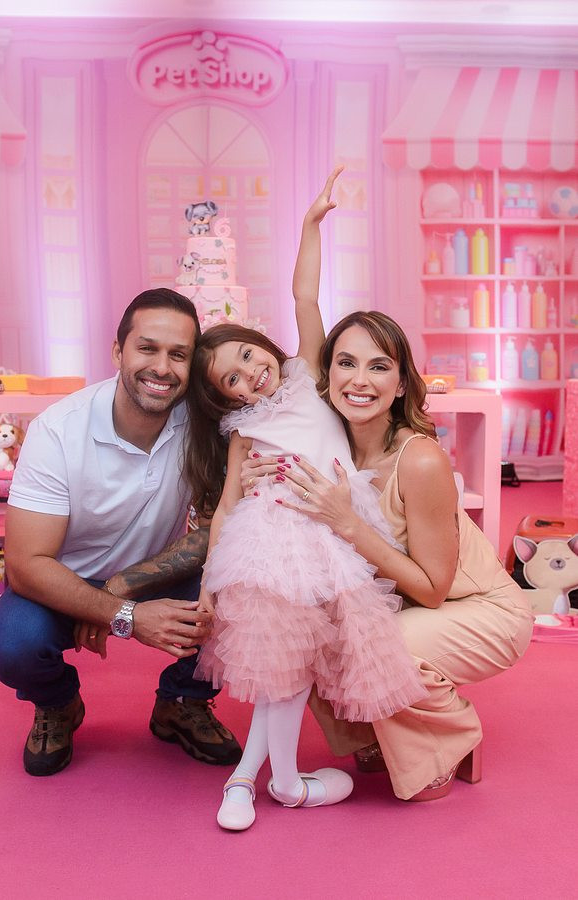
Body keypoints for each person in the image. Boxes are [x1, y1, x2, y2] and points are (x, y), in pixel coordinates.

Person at [184, 169, 427, 831]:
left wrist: (310, 224)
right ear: (226, 399)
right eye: (232, 381)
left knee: (289, 666)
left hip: (332, 529)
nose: (248, 376)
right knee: (286, 666)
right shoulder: (245, 430)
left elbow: (304, 295)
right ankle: (281, 783)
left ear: (262, 345)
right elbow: (226, 507)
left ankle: (251, 780)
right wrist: (209, 583)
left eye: (246, 357)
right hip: (274, 543)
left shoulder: (309, 374)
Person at [243, 310, 534, 802]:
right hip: (410, 605)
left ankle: (450, 739)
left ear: (400, 385)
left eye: (378, 367)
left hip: (482, 609)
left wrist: (349, 524)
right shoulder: (330, 448)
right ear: (327, 374)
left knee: (376, 645)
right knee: (308, 635)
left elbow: (433, 589)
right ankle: (379, 737)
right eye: (346, 363)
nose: (359, 380)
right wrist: (252, 481)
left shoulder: (419, 459)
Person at [0, 289, 241, 777]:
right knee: (15, 643)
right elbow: (25, 564)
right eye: (147, 348)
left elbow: (221, 529)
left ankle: (182, 701)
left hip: (156, 576)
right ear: (118, 351)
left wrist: (123, 590)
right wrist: (125, 616)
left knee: (246, 587)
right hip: (62, 582)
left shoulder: (204, 423)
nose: (162, 367)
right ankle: (58, 702)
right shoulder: (57, 430)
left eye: (178, 354)